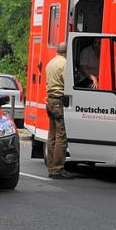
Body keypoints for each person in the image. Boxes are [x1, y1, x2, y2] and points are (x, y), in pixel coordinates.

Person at [45, 42, 72, 179]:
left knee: (52, 136)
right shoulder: (65, 63)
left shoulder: (50, 63)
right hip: (58, 101)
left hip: (49, 100)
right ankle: (57, 169)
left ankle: (50, 166)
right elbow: (68, 83)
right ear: (66, 52)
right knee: (61, 136)